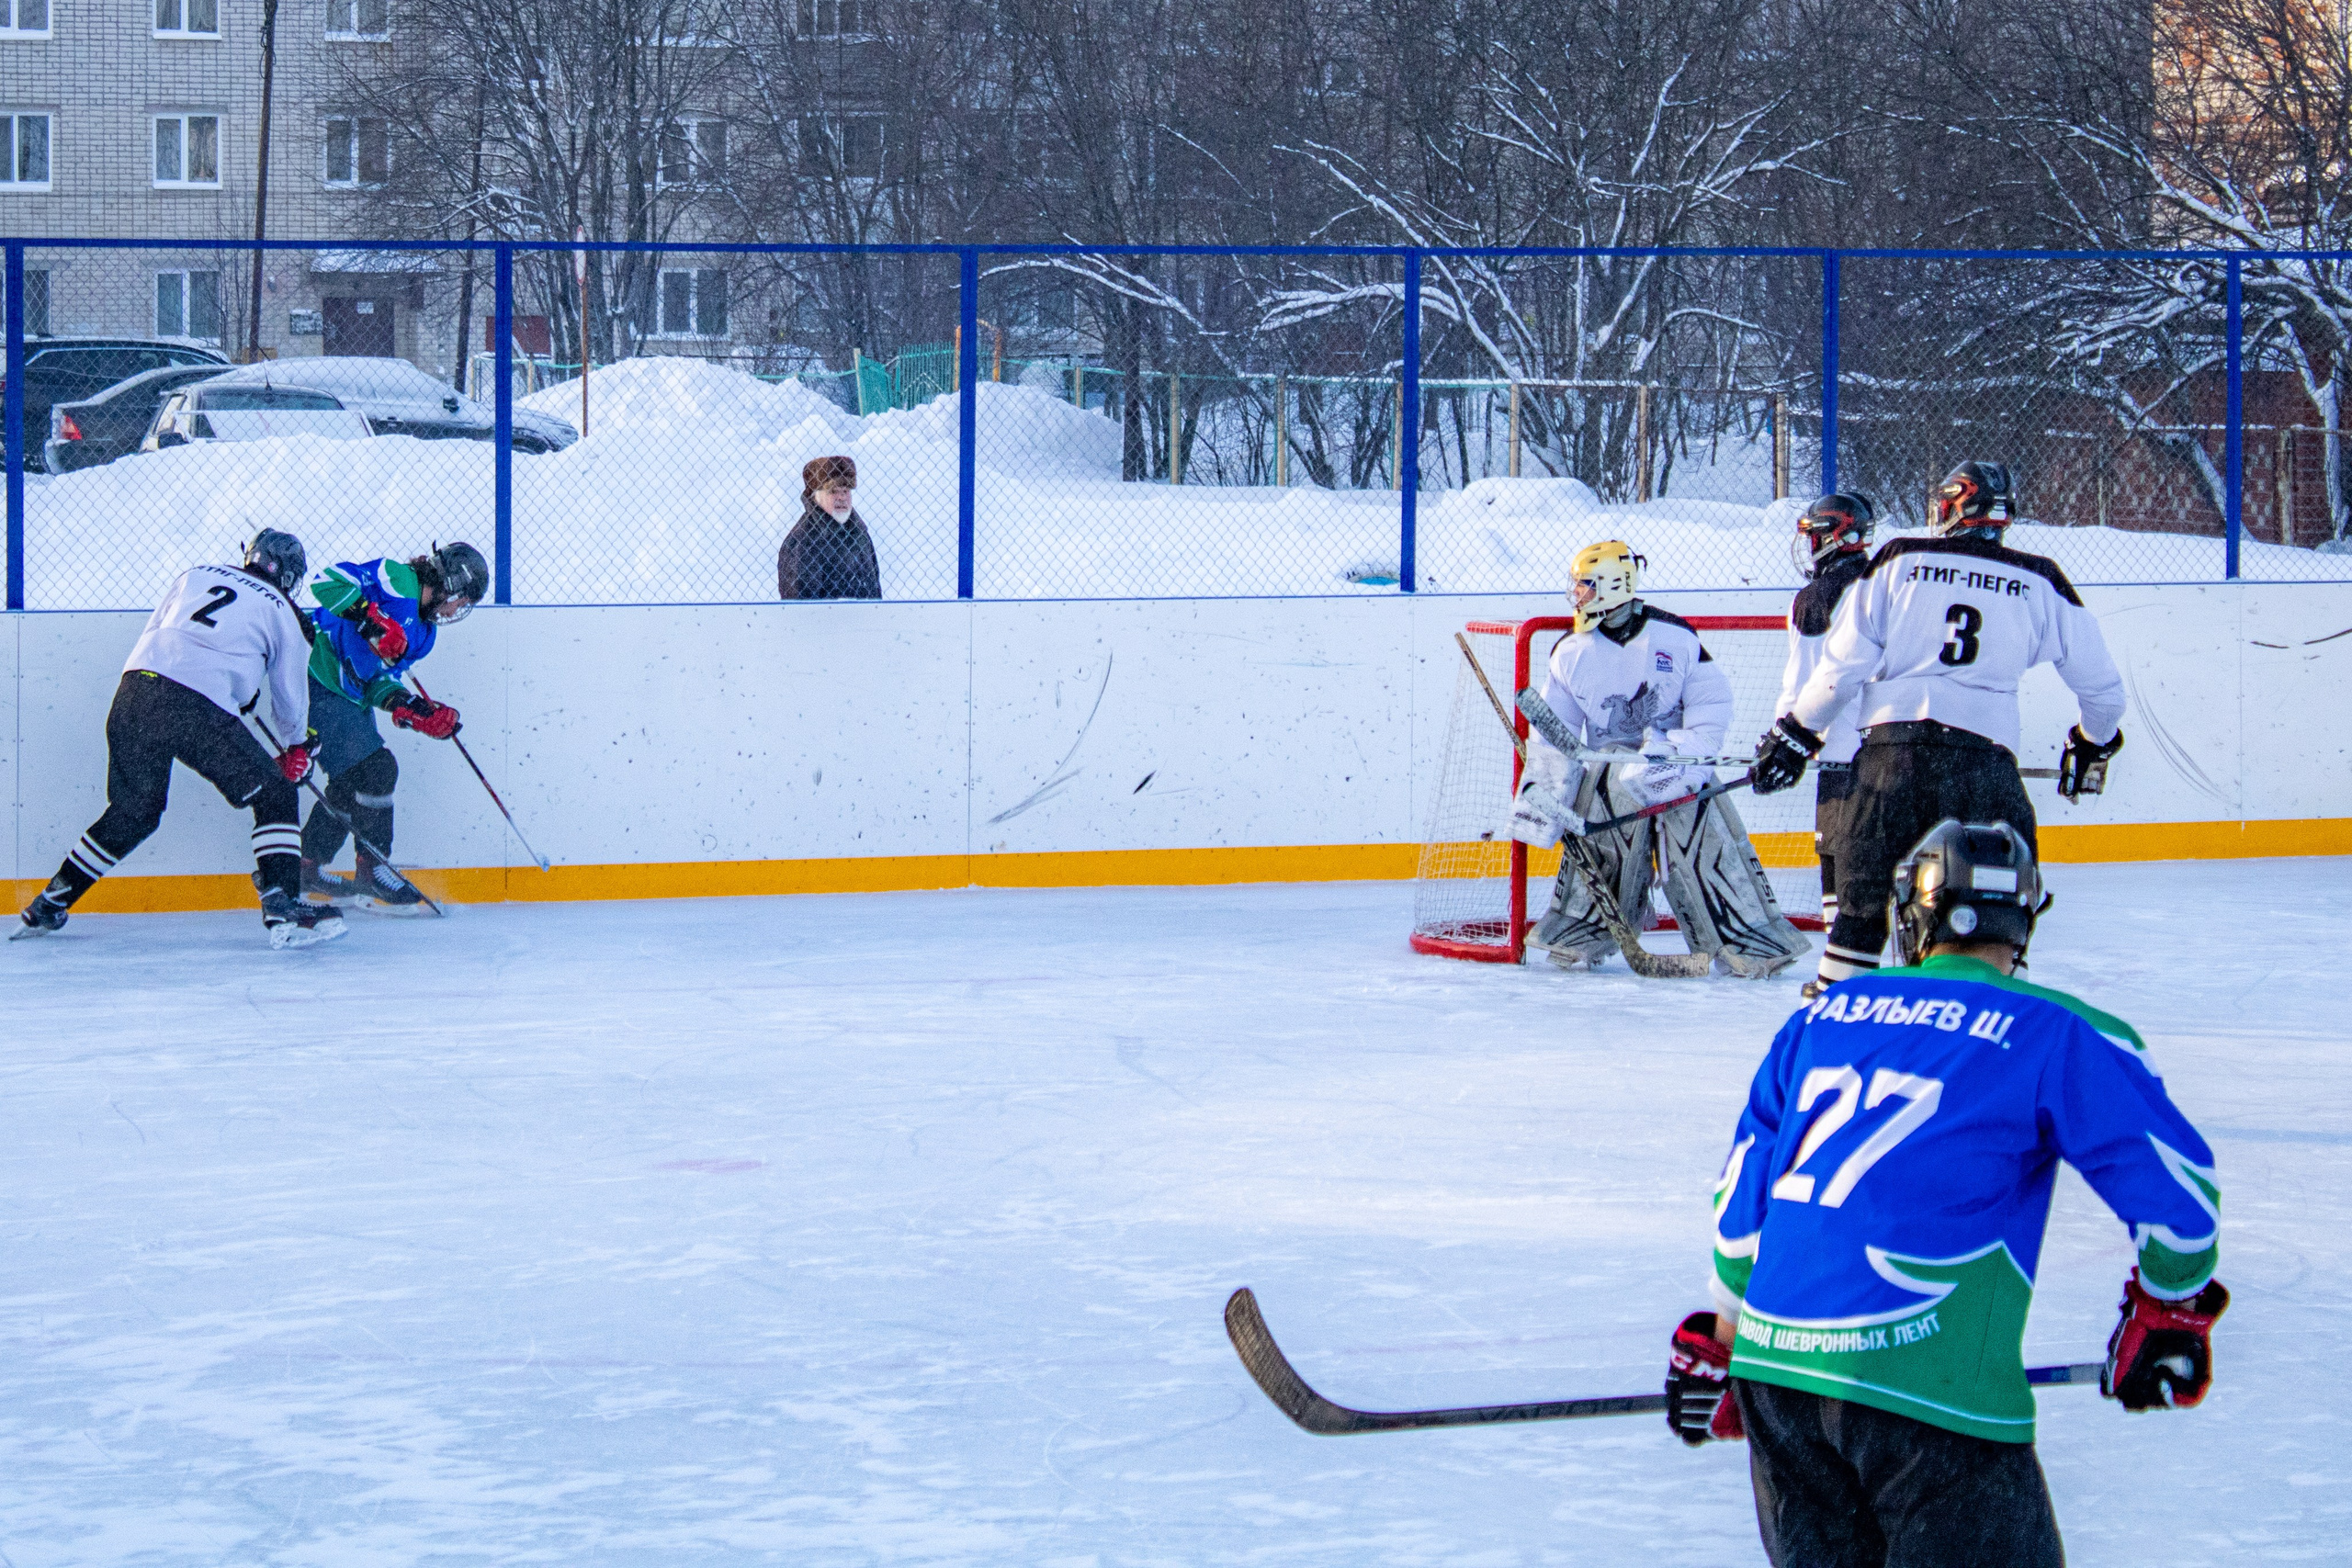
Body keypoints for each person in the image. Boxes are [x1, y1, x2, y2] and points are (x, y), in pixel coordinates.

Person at [1664, 819, 2227, 1568]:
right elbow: (2177, 1198)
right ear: (2023, 918)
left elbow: (1742, 1211)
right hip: (1930, 1389)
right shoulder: (2054, 1030)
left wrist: (1728, 1335)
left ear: (1912, 915)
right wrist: (2168, 1308)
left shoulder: (1818, 1019)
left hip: (1781, 1380)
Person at [1753, 461, 2127, 991]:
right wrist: (2092, 745)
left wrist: (1794, 734)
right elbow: (2105, 695)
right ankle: (1987, 1041)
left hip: (1890, 766)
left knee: (1856, 925)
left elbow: (1838, 673)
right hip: (1986, 770)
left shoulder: (1900, 560)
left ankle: (1834, 1038)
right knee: (1997, 928)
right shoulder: (2040, 579)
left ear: (1950, 507)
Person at [15, 531, 345, 948]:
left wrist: (236, 692)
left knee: (135, 810)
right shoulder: (284, 611)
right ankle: (283, 903)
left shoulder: (195, 574)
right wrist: (297, 745)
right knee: (277, 793)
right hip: (194, 706)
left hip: (135, 692)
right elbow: (290, 699)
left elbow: (162, 633)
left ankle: (50, 901)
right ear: (291, 575)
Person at [1509, 539, 1810, 977]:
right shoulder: (1569, 651)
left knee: (1703, 836)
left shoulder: (1676, 637)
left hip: (1675, 766)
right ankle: (1583, 927)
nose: (1578, 595)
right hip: (1610, 771)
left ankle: (1746, 935)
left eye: (1587, 586)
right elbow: (1558, 737)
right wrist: (1546, 793)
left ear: (1614, 585)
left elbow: (1711, 708)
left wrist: (1680, 758)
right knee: (1601, 835)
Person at [298, 542, 488, 914]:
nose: (457, 610)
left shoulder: (424, 636)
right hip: (315, 676)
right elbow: (326, 582)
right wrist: (371, 617)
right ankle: (373, 870)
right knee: (377, 769)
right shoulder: (396, 579)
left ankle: (305, 867)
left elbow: (378, 685)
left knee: (351, 781)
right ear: (450, 584)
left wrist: (416, 711)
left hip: (349, 697)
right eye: (461, 600)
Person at [1774, 492, 1877, 996]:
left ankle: (1844, 987)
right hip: (1899, 749)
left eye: (1815, 534)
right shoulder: (1890, 583)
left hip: (1841, 757)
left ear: (1835, 536)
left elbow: (1805, 686)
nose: (1809, 545)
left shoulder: (1816, 598)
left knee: (1841, 871)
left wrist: (1781, 739)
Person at [777, 454, 881, 600]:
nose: (842, 497)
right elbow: (800, 611)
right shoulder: (803, 541)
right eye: (833, 491)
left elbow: (875, 595)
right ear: (815, 496)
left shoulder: (860, 535)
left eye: (846, 491)